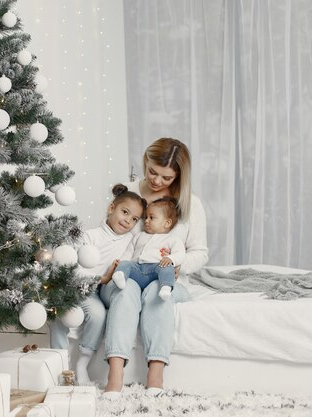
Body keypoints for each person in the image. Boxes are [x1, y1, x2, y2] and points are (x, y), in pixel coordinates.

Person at [100, 137, 209, 397]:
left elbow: (200, 253)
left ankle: (156, 373)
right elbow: (106, 237)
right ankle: (114, 376)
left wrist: (178, 265)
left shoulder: (190, 204)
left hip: (165, 277)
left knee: (157, 295)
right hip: (129, 273)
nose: (157, 181)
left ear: (179, 176)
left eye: (167, 178)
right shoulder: (126, 192)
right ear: (145, 161)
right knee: (127, 292)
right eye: (152, 172)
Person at [49, 184, 147, 384]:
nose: (128, 220)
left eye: (134, 219)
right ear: (112, 208)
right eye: (125, 212)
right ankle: (58, 363)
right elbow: (72, 267)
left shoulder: (131, 242)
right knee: (60, 313)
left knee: (98, 314)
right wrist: (101, 278)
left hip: (93, 293)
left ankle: (82, 363)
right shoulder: (90, 236)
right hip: (72, 286)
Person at [111, 197, 185, 300]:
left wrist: (171, 259)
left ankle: (166, 287)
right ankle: (120, 277)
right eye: (146, 217)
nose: (146, 221)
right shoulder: (139, 236)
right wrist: (122, 262)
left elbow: (180, 254)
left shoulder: (172, 240)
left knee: (168, 269)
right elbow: (129, 252)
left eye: (151, 217)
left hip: (156, 270)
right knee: (124, 264)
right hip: (137, 268)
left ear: (167, 223)